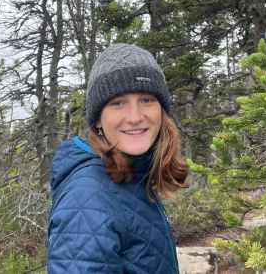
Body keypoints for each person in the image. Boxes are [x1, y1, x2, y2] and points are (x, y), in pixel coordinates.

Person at [47, 43, 189, 273]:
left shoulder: (134, 176)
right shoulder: (88, 197)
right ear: (98, 120)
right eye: (117, 103)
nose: (135, 117)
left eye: (146, 99)